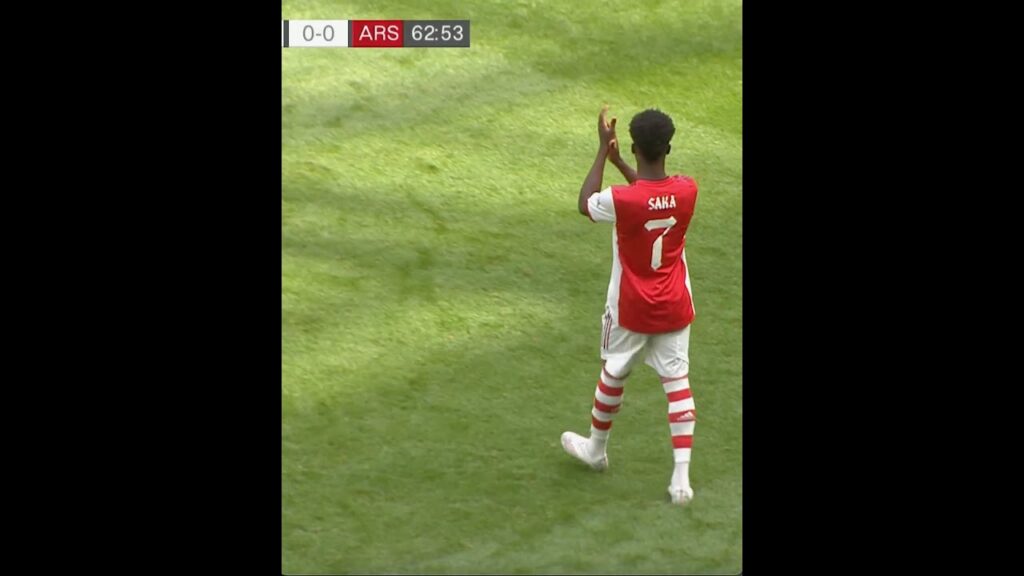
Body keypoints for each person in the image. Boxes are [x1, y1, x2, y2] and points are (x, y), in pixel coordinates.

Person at [562, 106, 700, 505]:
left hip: (631, 309)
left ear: (636, 147)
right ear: (668, 148)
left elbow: (585, 203)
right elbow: (653, 195)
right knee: (677, 383)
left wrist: (603, 152)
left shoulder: (620, 200)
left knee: (614, 372)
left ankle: (596, 449)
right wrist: (623, 162)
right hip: (674, 306)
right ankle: (681, 481)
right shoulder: (687, 190)